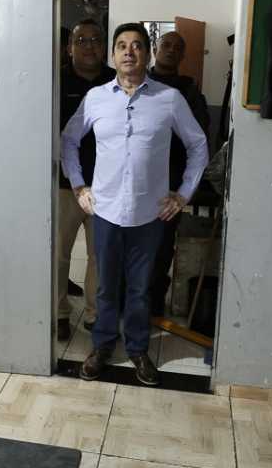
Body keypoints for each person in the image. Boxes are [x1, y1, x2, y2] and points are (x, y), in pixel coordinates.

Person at [62, 23, 208, 385]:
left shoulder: (169, 99)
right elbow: (69, 140)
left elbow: (198, 145)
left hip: (150, 214)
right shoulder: (96, 98)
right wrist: (78, 185)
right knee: (106, 286)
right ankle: (102, 346)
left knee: (141, 288)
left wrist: (183, 194)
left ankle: (139, 349)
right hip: (106, 211)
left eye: (137, 45)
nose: (129, 51)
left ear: (148, 53)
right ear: (114, 55)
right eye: (122, 45)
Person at [56, 19, 115, 341]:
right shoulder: (55, 81)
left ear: (103, 47)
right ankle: (59, 313)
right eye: (81, 40)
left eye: (95, 40)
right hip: (64, 186)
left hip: (106, 187)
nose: (89, 45)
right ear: (70, 48)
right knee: (59, 253)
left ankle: (95, 314)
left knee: (100, 256)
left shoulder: (116, 81)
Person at [145, 31, 210, 318]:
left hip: (170, 179)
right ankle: (128, 297)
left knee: (161, 243)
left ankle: (153, 301)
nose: (170, 50)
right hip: (137, 177)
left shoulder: (189, 91)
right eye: (166, 45)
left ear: (183, 55)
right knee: (130, 240)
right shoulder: (139, 82)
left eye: (177, 48)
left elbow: (198, 139)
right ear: (155, 48)